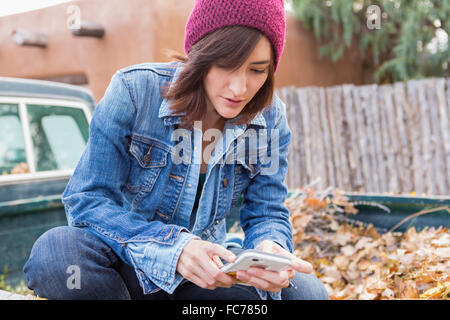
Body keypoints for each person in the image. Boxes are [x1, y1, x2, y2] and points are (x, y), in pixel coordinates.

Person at [23, 0, 329, 300]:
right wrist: (174, 248)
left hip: (206, 275)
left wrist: (269, 246)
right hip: (128, 265)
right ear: (200, 54)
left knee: (307, 292)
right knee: (56, 258)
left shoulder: (270, 119)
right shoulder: (134, 92)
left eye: (257, 70)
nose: (239, 88)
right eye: (226, 65)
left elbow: (267, 211)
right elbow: (87, 201)